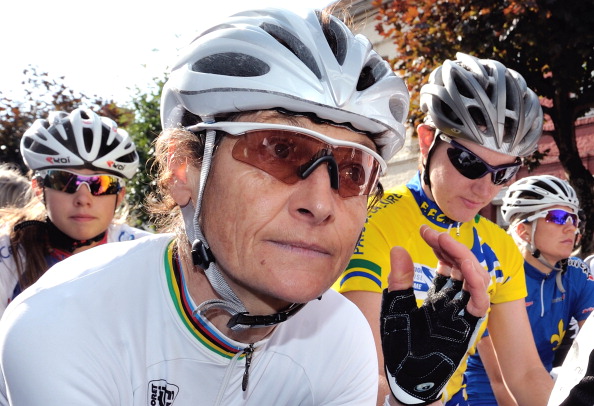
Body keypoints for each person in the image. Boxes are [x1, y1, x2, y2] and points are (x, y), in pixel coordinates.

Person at [0, 8, 491, 406]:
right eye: (279, 150)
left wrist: (407, 399)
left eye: (353, 169)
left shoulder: (344, 337)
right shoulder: (60, 326)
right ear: (180, 171)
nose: (320, 203)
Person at [336, 52, 554, 405]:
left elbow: (526, 374)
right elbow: (365, 374)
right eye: (469, 162)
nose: (485, 190)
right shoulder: (372, 219)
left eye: (503, 173)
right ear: (426, 142)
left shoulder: (500, 246)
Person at [0, 108, 151, 316]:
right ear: (38, 189)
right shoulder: (9, 255)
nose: (83, 199)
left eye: (101, 184)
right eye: (64, 181)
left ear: (120, 194)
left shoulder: (146, 255)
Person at [464, 175, 594, 405]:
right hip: (484, 396)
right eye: (558, 217)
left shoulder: (576, 274)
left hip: (544, 388)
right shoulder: (495, 273)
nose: (571, 227)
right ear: (523, 230)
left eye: (575, 218)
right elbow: (499, 381)